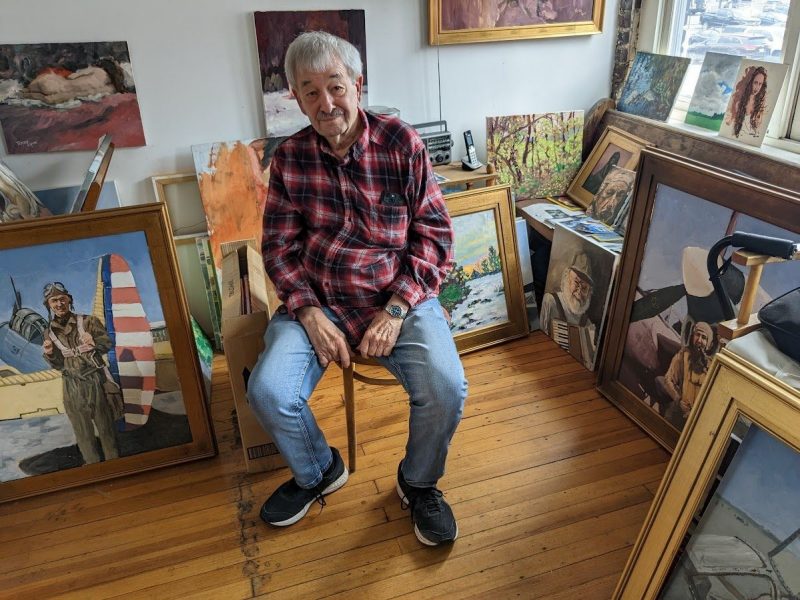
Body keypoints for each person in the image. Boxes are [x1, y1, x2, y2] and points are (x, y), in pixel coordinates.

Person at [249, 32, 467, 546]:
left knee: (445, 388)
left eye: (335, 86)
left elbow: (436, 239)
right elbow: (278, 249)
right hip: (319, 300)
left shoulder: (401, 144)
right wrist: (306, 311)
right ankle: (319, 470)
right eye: (310, 92)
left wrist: (395, 310)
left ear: (358, 85)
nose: (326, 104)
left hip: (397, 297)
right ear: (296, 100)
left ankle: (418, 483)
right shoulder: (290, 159)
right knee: (269, 390)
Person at [41, 282, 121, 464]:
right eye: (54, 301)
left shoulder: (88, 321)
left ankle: (116, 467)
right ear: (48, 305)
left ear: (69, 299)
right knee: (83, 435)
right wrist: (50, 354)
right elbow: (59, 365)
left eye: (62, 299)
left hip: (95, 381)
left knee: (106, 430)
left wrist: (94, 342)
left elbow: (107, 344)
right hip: (71, 386)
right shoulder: (48, 333)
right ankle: (94, 469)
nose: (59, 304)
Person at [539, 252, 597, 368]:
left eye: (584, 287)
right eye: (576, 282)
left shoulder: (588, 324)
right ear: (567, 279)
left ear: (589, 293)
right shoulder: (551, 301)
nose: (579, 291)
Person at [657, 321, 715, 426]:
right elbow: (668, 379)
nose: (699, 340)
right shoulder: (683, 355)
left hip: (696, 421)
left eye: (704, 338)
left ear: (708, 344)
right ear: (692, 336)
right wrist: (678, 400)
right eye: (697, 335)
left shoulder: (711, 367)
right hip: (677, 414)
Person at [726, 65, 768, 139]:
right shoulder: (739, 101)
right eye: (755, 82)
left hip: (751, 140)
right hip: (735, 138)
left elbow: (758, 129)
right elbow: (728, 125)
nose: (757, 87)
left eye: (760, 84)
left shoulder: (760, 104)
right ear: (750, 82)